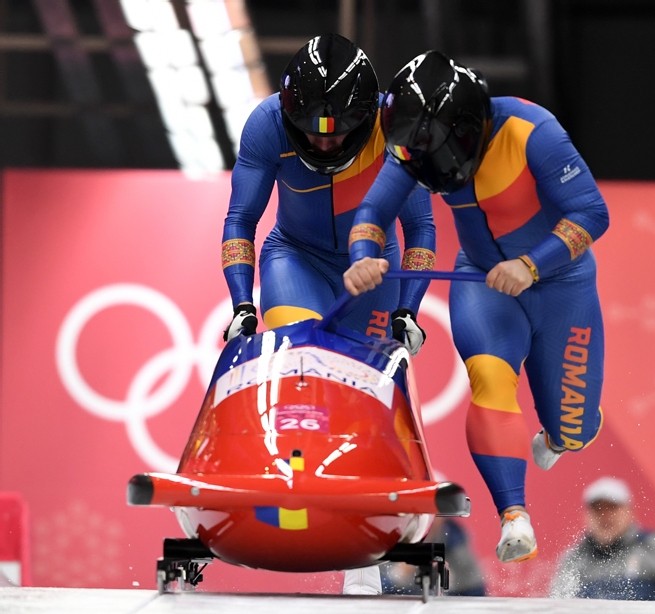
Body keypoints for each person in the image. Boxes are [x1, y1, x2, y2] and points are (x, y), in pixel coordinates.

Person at [344, 50, 608, 564]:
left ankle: (562, 434)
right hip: (483, 281)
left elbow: (592, 213)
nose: (429, 166)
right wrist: (362, 256)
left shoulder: (533, 131)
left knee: (572, 431)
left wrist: (532, 265)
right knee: (489, 378)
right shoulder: (413, 146)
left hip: (562, 283)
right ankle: (514, 516)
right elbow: (374, 210)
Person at [220, 33, 436, 595]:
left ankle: (362, 554)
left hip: (374, 271)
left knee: (364, 400)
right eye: (314, 130)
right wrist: (242, 302)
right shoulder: (267, 124)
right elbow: (241, 220)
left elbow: (420, 227)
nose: (325, 141)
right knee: (299, 367)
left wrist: (407, 312)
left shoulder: (397, 127)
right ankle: (285, 501)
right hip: (296, 258)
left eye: (339, 131)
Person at [549, 477, 655, 601]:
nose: (605, 516)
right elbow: (558, 607)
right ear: (586, 516)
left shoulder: (653, 547)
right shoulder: (574, 559)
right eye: (597, 510)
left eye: (612, 508)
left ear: (629, 512)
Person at [382, 518, 486, 596]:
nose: (426, 521)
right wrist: (397, 577)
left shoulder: (454, 543)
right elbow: (378, 590)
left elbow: (474, 591)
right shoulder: (390, 538)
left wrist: (451, 588)